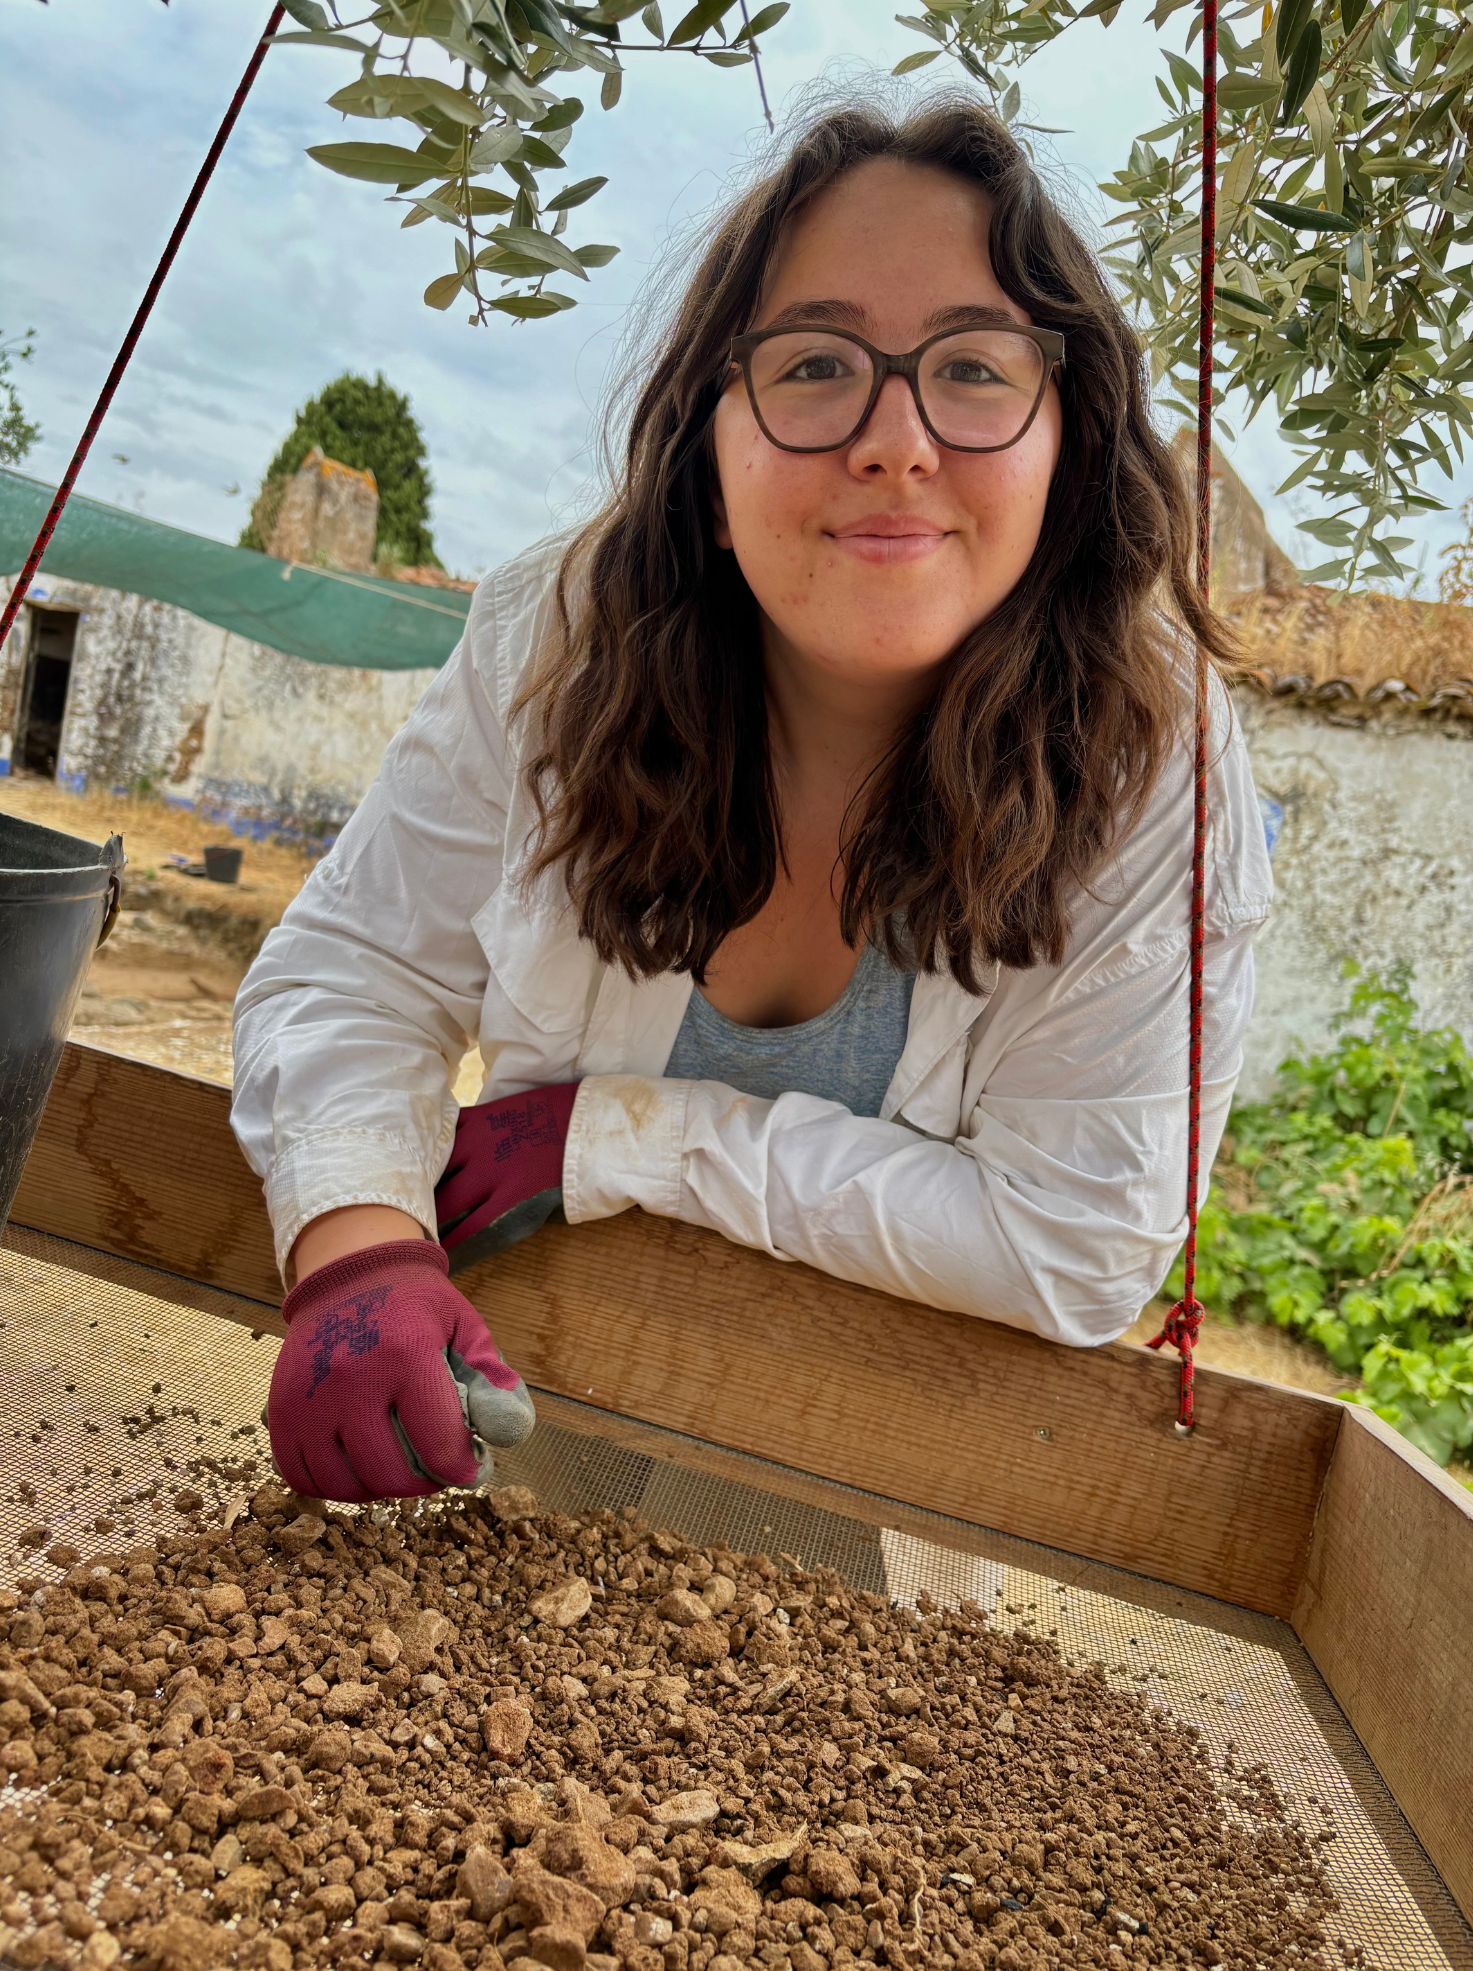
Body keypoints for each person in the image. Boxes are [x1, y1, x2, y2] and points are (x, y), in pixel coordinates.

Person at [232, 98, 1271, 1505]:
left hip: (857, 1466)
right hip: (512, 1400)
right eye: (818, 362)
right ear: (710, 458)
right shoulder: (557, 639)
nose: (895, 440)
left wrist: (621, 1136)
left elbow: (1072, 1244)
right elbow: (356, 968)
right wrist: (356, 1247)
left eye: (972, 367)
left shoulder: (1161, 767)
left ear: (1067, 451)